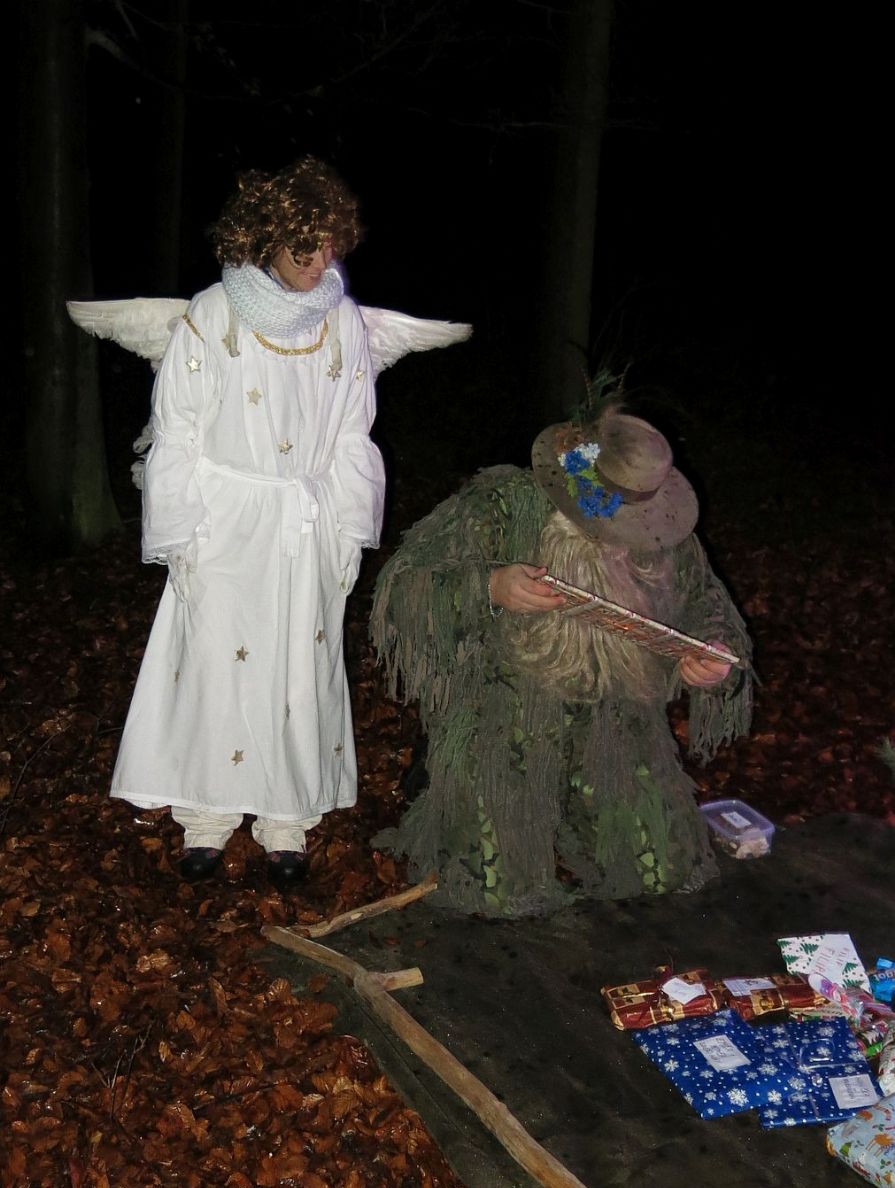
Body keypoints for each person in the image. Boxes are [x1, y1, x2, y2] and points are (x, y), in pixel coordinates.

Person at [110, 156, 386, 886]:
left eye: (329, 248)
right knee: (214, 660)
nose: (319, 264)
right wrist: (181, 534)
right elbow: (177, 429)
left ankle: (285, 816)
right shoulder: (212, 314)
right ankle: (206, 815)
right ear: (267, 239)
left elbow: (353, 431)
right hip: (226, 519)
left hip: (305, 521)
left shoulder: (343, 321)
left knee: (297, 662)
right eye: (304, 249)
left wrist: (349, 528)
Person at [370, 405, 752, 916]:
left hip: (617, 722)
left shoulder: (660, 529)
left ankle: (580, 816)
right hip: (504, 716)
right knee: (495, 894)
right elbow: (404, 587)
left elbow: (707, 604)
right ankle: (446, 784)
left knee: (664, 873)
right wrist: (490, 587)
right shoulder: (504, 504)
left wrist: (713, 655)